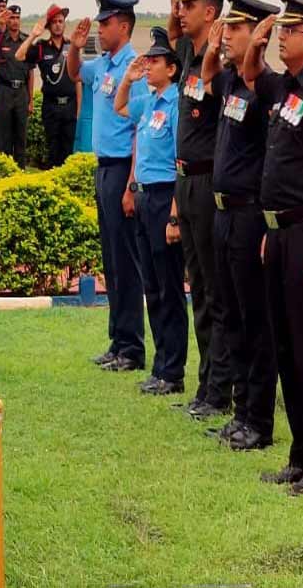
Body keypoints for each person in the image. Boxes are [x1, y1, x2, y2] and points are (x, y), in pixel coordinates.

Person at [242, 0, 303, 496]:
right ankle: (298, 454)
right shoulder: (285, 89)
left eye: (289, 31)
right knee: (287, 347)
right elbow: (252, 74)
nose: (282, 38)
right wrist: (257, 41)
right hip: (277, 233)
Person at [201, 0, 281, 450]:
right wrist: (215, 47)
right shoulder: (230, 82)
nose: (227, 36)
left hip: (250, 214)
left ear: (257, 37)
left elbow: (251, 71)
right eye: (225, 28)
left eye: (235, 29)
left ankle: (258, 421)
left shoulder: (262, 85)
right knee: (230, 314)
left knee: (255, 321)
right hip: (222, 214)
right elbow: (209, 78)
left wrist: (248, 51)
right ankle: (239, 410)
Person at [67, 0, 146, 372]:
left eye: (105, 23)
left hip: (122, 170)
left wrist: (133, 183)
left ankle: (131, 348)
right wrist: (73, 48)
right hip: (103, 169)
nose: (99, 28)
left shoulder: (136, 68)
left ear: (124, 26)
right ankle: (117, 341)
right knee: (111, 261)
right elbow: (74, 72)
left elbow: (138, 129)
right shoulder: (102, 66)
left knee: (126, 261)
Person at [168, 0, 234, 419]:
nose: (180, 10)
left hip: (211, 183)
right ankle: (206, 384)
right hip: (185, 181)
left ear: (210, 12)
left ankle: (219, 390)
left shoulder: (220, 65)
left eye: (189, 6)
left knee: (215, 292)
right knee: (199, 290)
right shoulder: (190, 59)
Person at [114, 30, 187, 395]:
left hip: (163, 197)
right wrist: (128, 80)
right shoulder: (151, 100)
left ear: (171, 69)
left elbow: (180, 163)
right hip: (143, 198)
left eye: (155, 62)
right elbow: (120, 108)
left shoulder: (175, 105)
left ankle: (173, 372)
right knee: (153, 288)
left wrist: (175, 214)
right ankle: (161, 366)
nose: (149, 66)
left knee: (170, 288)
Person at [17, 4, 78, 169]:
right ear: (49, 26)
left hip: (70, 105)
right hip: (51, 106)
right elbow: (19, 55)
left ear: (65, 24)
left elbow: (79, 78)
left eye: (61, 21)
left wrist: (79, 108)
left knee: (68, 149)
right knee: (53, 149)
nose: (58, 24)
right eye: (54, 22)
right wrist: (33, 35)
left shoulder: (72, 46)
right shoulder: (42, 47)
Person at [0, 4, 30, 165]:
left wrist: (30, 100)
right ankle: (6, 170)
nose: (15, 21)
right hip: (4, 91)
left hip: (21, 91)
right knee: (4, 135)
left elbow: (30, 72)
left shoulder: (26, 40)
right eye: (12, 18)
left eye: (17, 18)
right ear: (6, 21)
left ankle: (21, 169)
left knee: (21, 134)